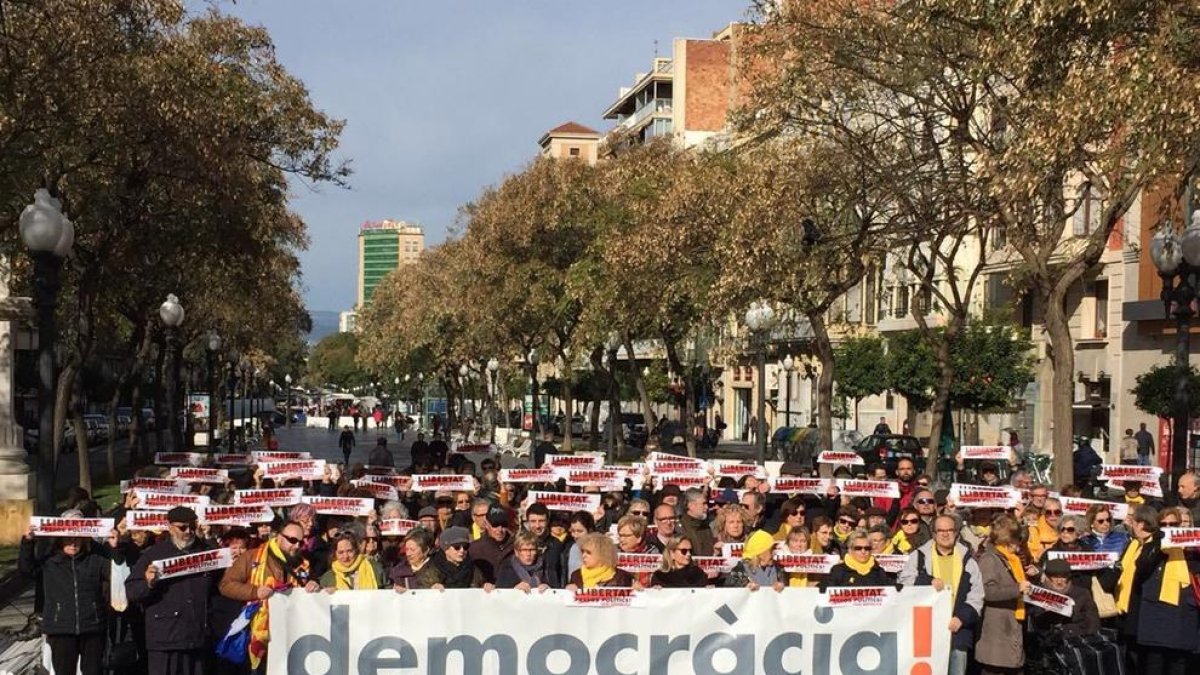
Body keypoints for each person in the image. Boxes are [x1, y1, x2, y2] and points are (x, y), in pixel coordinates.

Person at [127, 507, 221, 675]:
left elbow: (219, 588)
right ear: (169, 527)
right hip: (165, 639)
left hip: (198, 638)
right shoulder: (154, 554)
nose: (188, 531)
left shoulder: (207, 552)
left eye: (192, 526)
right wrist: (148, 583)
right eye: (182, 527)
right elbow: (132, 591)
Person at [219, 521, 319, 670]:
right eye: (292, 540)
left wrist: (314, 585)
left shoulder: (303, 563)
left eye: (300, 541)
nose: (297, 546)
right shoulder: (252, 556)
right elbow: (225, 585)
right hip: (257, 634)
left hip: (289, 635)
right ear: (278, 537)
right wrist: (254, 591)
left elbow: (313, 585)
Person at [19, 512, 111, 675]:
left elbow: (117, 572)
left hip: (92, 627)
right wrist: (27, 542)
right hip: (60, 628)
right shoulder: (50, 560)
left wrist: (115, 546)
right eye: (68, 537)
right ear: (60, 537)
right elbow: (26, 569)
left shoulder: (96, 558)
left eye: (78, 537)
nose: (73, 542)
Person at [898, 515, 984, 675]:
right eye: (941, 530)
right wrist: (926, 581)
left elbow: (977, 595)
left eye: (950, 530)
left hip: (957, 633)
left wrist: (962, 618)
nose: (945, 534)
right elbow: (903, 584)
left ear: (957, 533)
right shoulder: (918, 557)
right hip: (924, 632)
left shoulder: (968, 561)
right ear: (934, 533)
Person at [975, 514, 1030, 675]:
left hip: (1011, 628)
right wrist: (1017, 589)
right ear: (1009, 539)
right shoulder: (990, 559)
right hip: (996, 632)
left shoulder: (1011, 559)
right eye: (1017, 538)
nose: (1020, 543)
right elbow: (987, 591)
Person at [1030, 558, 1101, 636]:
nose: (1059, 581)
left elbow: (1093, 622)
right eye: (1055, 577)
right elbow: (1036, 624)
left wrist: (1067, 630)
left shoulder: (1082, 593)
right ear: (1047, 577)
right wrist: (1050, 614)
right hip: (1050, 641)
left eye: (1063, 577)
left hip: (1077, 638)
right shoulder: (1040, 594)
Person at [822, 529, 891, 589]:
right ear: (850, 550)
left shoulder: (879, 572)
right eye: (858, 548)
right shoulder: (838, 571)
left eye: (867, 548)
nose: (863, 551)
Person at [565, 532, 634, 590]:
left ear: (602, 554)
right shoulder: (576, 575)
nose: (584, 555)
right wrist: (568, 591)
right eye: (583, 552)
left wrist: (636, 590)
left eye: (588, 553)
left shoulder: (622, 577)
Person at [319, 532, 385, 590]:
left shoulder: (375, 569)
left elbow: (390, 593)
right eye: (341, 552)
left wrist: (395, 588)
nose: (346, 556)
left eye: (350, 551)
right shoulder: (328, 578)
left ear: (356, 550)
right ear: (335, 554)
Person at [469, 507, 514, 584]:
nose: (499, 530)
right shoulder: (474, 549)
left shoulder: (517, 545)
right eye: (495, 525)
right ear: (486, 524)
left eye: (503, 525)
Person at [679, 488, 715, 556]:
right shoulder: (679, 528)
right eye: (703, 504)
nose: (707, 507)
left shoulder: (706, 528)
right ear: (691, 506)